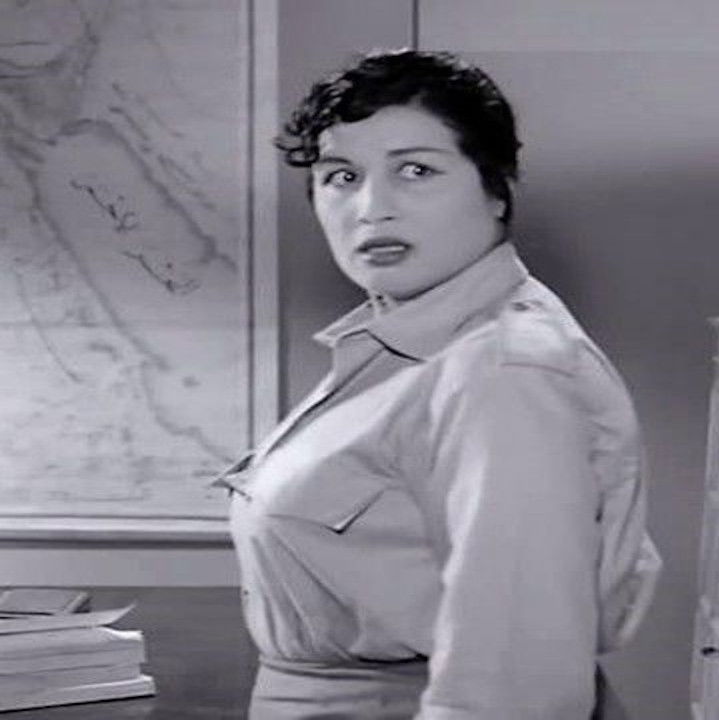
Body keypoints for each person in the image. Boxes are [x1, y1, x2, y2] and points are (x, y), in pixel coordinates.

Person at [217, 50, 660, 718]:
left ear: (495, 189)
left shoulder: (504, 371)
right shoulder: (402, 348)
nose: (372, 209)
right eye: (341, 176)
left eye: (416, 170)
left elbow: (514, 687)